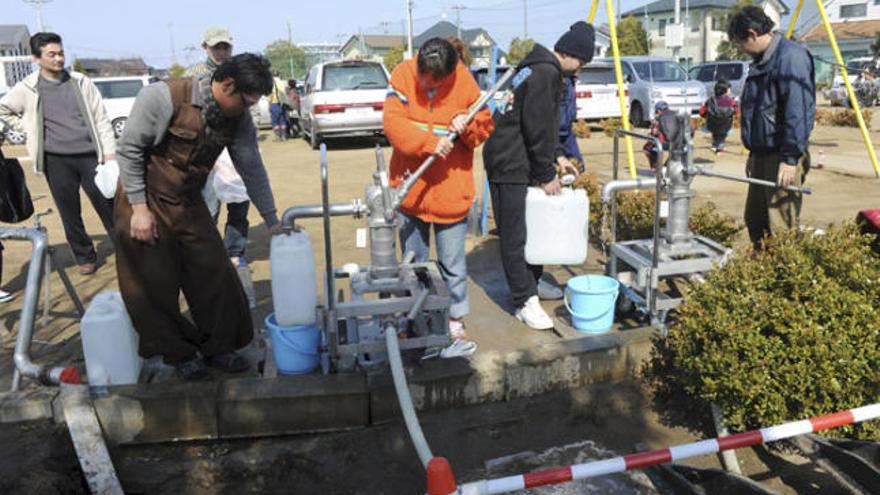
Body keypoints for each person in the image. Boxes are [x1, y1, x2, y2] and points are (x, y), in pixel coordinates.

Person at [115, 54, 282, 380]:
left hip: (188, 200)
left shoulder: (238, 118)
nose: (247, 109)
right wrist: (138, 209)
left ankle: (218, 347)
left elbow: (251, 167)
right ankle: (178, 354)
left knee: (214, 272)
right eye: (246, 102)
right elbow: (129, 149)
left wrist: (272, 218)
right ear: (227, 84)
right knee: (153, 282)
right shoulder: (163, 97)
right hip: (144, 198)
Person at [384, 37, 494, 357]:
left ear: (449, 74)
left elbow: (483, 131)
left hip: (451, 192)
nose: (424, 84)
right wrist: (431, 143)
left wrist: (468, 123)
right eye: (422, 77)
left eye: (433, 81)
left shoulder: (465, 82)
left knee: (452, 264)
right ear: (417, 61)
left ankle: (454, 321)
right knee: (412, 264)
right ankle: (411, 317)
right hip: (410, 190)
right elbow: (394, 125)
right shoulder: (403, 74)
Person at [482, 21, 593, 330]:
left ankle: (533, 281)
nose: (579, 69)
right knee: (515, 234)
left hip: (515, 154)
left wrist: (557, 155)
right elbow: (537, 128)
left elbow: (541, 122)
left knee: (534, 226)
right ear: (570, 54)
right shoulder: (545, 73)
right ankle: (523, 300)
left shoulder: (533, 67)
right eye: (581, 62)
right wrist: (547, 174)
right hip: (509, 160)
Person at [0, 32, 117, 275]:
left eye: (61, 53)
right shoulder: (28, 88)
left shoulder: (81, 82)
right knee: (69, 211)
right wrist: (31, 129)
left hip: (90, 156)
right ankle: (85, 256)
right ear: (36, 58)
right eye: (51, 55)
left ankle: (127, 250)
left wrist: (109, 154)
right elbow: (4, 110)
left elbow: (101, 119)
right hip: (56, 160)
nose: (58, 59)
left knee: (109, 205)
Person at [728, 6, 815, 249]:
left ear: (753, 34)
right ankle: (762, 273)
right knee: (756, 219)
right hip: (762, 153)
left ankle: (783, 282)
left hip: (782, 154)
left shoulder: (791, 58)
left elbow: (796, 112)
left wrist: (789, 159)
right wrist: (754, 153)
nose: (742, 49)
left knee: (780, 224)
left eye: (741, 43)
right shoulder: (761, 60)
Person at [186, 26, 252, 264]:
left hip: (233, 148)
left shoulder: (240, 74)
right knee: (207, 206)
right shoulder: (194, 75)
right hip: (206, 152)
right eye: (216, 47)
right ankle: (207, 253)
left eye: (225, 47)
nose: (222, 52)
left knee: (239, 203)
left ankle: (235, 252)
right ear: (205, 47)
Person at [699, 79, 737, 153]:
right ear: (725, 91)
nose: (730, 91)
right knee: (723, 132)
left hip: (711, 126)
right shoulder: (730, 101)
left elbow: (701, 112)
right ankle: (719, 144)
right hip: (726, 126)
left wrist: (708, 115)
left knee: (716, 132)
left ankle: (716, 144)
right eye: (729, 90)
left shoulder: (710, 101)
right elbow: (737, 112)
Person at [558, 74, 584, 169]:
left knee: (578, 165)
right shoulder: (551, 75)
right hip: (554, 131)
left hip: (567, 128)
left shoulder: (570, 80)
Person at [644, 101, 673, 170]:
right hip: (680, 142)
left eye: (656, 111)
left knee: (647, 148)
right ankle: (667, 166)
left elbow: (654, 133)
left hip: (665, 142)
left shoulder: (658, 119)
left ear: (659, 110)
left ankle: (657, 167)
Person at [267, 74, 290, 141]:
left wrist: (269, 104)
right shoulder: (283, 83)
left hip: (274, 103)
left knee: (275, 121)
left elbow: (270, 95)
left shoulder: (272, 83)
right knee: (282, 120)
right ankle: (284, 136)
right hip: (282, 103)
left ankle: (278, 137)